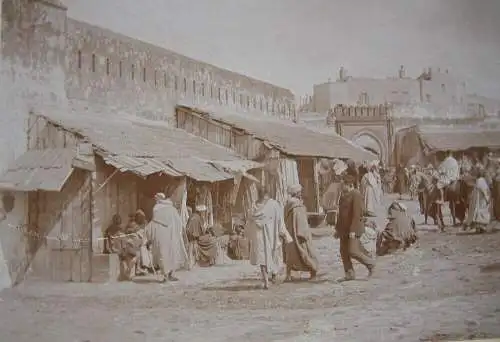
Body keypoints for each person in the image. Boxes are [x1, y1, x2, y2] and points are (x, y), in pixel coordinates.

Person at [247, 186, 292, 289]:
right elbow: (280, 221)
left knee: (262, 258)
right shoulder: (274, 204)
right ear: (267, 194)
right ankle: (274, 275)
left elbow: (249, 221)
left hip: (259, 237)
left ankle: (266, 281)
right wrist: (284, 233)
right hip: (272, 235)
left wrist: (249, 235)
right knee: (273, 255)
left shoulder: (254, 206)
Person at [335, 175, 375, 281]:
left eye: (343, 184)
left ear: (349, 184)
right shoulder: (343, 195)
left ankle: (371, 264)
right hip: (344, 229)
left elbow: (357, 214)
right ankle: (349, 273)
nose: (341, 186)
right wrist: (337, 229)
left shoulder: (356, 194)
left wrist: (353, 230)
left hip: (354, 228)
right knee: (343, 251)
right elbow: (341, 214)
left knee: (353, 251)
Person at [145, 192, 188, 282]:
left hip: (161, 236)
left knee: (163, 255)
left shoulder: (156, 208)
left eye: (156, 198)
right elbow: (179, 223)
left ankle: (166, 276)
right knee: (171, 254)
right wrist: (177, 232)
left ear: (159, 198)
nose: (155, 199)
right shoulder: (172, 208)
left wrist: (149, 235)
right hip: (171, 235)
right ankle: (170, 275)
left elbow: (154, 222)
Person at [283, 183, 318, 281]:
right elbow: (301, 221)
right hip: (299, 232)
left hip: (290, 232)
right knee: (306, 252)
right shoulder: (298, 206)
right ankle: (313, 272)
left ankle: (288, 275)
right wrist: (304, 233)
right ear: (297, 193)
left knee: (290, 254)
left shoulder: (287, 205)